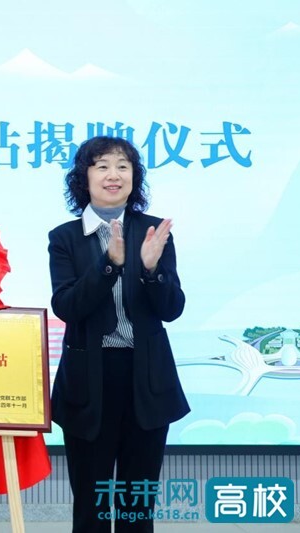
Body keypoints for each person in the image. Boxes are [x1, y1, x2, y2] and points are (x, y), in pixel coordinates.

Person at [47, 136, 189, 532]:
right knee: (91, 506)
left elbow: (172, 309)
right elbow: (67, 306)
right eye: (103, 166)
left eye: (123, 166)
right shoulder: (65, 237)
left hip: (146, 379)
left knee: (136, 506)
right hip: (89, 381)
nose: (114, 175)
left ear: (134, 177)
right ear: (84, 177)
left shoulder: (154, 232)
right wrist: (109, 264)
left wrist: (151, 270)